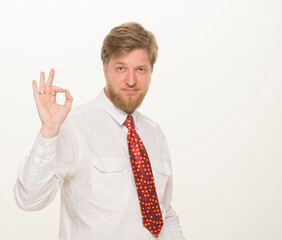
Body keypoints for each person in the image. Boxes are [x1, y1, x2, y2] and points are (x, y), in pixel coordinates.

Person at [14, 22, 185, 240]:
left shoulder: (155, 134)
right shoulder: (73, 127)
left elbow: (163, 212)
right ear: (105, 68)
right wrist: (48, 131)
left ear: (151, 71)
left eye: (140, 69)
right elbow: (29, 199)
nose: (131, 81)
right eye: (121, 68)